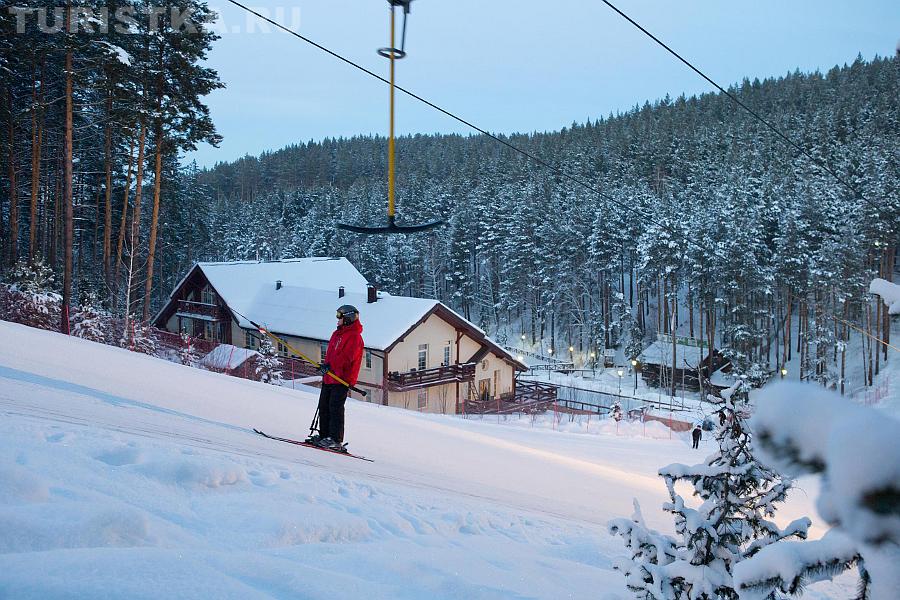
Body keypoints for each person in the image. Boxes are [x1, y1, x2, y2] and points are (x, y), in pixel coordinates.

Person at [309, 304, 364, 450]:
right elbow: (331, 355)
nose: (337, 319)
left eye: (340, 316)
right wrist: (325, 366)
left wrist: (330, 367)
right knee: (324, 406)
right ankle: (324, 435)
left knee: (335, 408)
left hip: (342, 379)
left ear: (348, 318)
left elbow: (347, 358)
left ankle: (335, 439)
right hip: (330, 377)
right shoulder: (337, 334)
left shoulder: (355, 337)